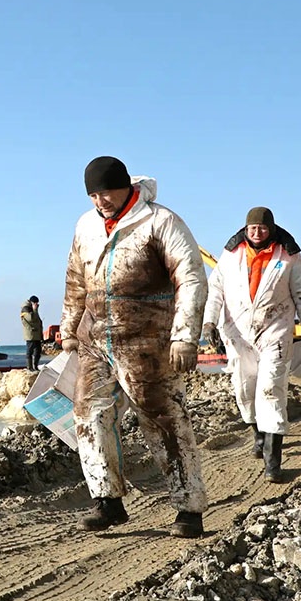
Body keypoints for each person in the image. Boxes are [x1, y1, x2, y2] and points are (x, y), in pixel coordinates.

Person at [60, 155, 208, 538]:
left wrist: (184, 336)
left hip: (149, 340)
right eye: (93, 194)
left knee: (163, 420)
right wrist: (68, 330)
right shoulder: (85, 226)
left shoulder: (160, 221)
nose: (100, 200)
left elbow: (191, 278)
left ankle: (189, 508)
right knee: (89, 417)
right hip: (95, 339)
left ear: (125, 185)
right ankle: (107, 502)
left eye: (105, 191)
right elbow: (76, 280)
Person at [203, 207, 301, 483]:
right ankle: (258, 433)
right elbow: (215, 290)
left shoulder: (288, 256)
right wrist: (209, 323)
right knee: (245, 388)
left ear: (271, 229)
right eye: (252, 228)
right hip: (238, 333)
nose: (257, 233)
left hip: (275, 330)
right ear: (246, 229)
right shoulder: (231, 254)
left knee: (271, 387)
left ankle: (273, 459)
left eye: (263, 228)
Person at [20, 296, 44, 371]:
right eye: (36, 303)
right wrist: (34, 309)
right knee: (29, 352)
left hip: (37, 334)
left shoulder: (33, 309)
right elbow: (31, 319)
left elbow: (37, 320)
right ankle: (29, 367)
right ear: (32, 302)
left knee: (38, 351)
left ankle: (35, 366)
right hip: (30, 334)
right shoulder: (25, 309)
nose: (37, 305)